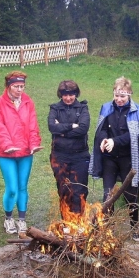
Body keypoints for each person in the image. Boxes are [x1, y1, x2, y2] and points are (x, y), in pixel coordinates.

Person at [89, 76, 139, 242]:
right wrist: (105, 140)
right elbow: (101, 130)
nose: (119, 99)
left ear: (130, 94)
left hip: (129, 159)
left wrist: (115, 141)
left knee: (131, 195)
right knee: (108, 194)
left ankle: (135, 227)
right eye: (117, 95)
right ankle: (109, 228)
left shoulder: (138, 111)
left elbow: (134, 135)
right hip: (109, 159)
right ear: (113, 93)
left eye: (123, 96)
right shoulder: (106, 108)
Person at [0, 71, 42, 234]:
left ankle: (21, 219)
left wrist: (34, 144)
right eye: (16, 87)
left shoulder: (28, 102)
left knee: (22, 187)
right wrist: (7, 145)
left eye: (22, 86)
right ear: (8, 86)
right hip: (7, 154)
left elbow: (33, 125)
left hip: (26, 152)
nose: (20, 90)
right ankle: (8, 218)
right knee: (12, 187)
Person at [48, 80, 90, 219]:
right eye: (65, 95)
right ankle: (67, 223)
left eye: (71, 94)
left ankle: (79, 223)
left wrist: (62, 130)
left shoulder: (82, 108)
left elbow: (83, 128)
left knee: (79, 191)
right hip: (59, 156)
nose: (68, 98)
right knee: (64, 190)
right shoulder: (55, 108)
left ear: (76, 94)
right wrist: (72, 126)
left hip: (80, 156)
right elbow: (52, 127)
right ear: (61, 95)